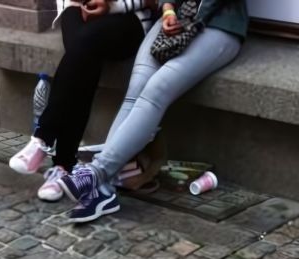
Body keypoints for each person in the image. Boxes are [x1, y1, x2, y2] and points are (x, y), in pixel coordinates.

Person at [58, 0, 248, 222]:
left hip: (219, 25)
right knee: (135, 90)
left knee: (156, 90)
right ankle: (103, 190)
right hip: (174, 17)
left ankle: (97, 172)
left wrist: (189, 19)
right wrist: (167, 10)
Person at [8, 0, 156, 202]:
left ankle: (44, 139)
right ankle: (62, 167)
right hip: (77, 9)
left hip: (128, 18)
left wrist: (111, 6)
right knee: (83, 56)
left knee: (84, 45)